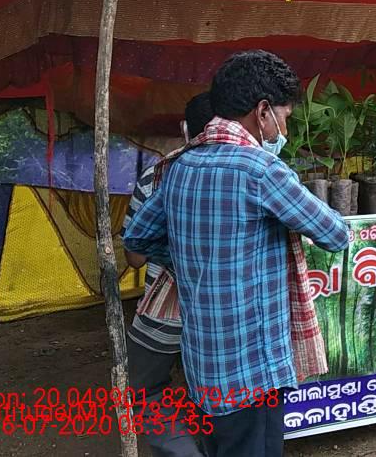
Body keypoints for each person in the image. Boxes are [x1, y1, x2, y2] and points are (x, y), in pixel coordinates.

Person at [123, 50, 350, 457]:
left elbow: (136, 239)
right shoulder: (261, 171)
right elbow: (335, 234)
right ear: (262, 112)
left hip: (203, 367)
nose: (284, 130)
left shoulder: (181, 166)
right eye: (285, 118)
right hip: (252, 373)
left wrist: (194, 261)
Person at [123, 92, 213, 457]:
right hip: (219, 314)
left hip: (166, 313)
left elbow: (134, 258)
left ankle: (182, 452)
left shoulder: (158, 175)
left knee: (145, 389)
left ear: (185, 129)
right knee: (210, 394)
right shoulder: (245, 172)